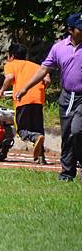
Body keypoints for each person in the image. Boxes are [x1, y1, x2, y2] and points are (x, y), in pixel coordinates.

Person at [16, 12, 82, 181]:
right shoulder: (59, 48)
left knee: (77, 130)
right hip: (67, 97)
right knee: (67, 135)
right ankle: (67, 174)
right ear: (70, 30)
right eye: (80, 29)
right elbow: (43, 70)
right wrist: (25, 88)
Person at [0, 43, 50, 164]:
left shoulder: (11, 65)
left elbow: (9, 77)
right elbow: (47, 80)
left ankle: (35, 138)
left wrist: (1, 92)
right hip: (38, 100)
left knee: (21, 129)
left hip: (23, 100)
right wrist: (40, 89)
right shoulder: (36, 66)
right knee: (37, 127)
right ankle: (41, 157)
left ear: (12, 56)